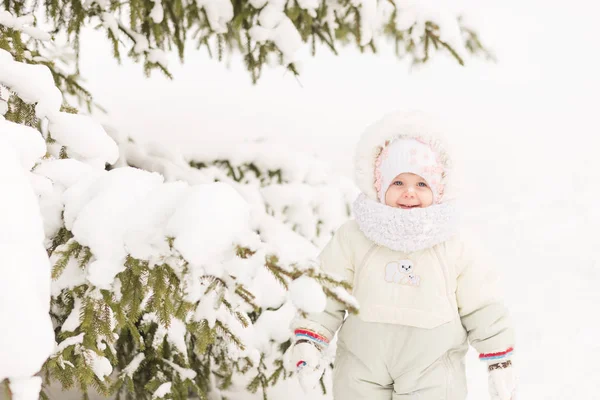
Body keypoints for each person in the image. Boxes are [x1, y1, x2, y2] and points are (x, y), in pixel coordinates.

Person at [288, 111, 516, 400]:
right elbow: (327, 292)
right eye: (398, 183)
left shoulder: (455, 244)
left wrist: (499, 360)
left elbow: (481, 303)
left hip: (431, 369)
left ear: (440, 189)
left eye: (422, 184)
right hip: (361, 365)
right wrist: (310, 339)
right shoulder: (354, 236)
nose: (409, 193)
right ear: (379, 186)